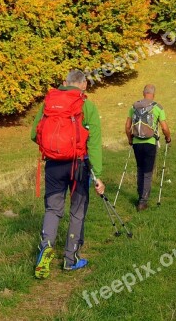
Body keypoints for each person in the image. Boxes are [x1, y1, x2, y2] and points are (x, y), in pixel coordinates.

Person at [31, 70, 105, 279]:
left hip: (53, 165)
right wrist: (97, 175)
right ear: (84, 84)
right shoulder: (87, 106)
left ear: (64, 83)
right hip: (78, 166)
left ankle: (45, 247)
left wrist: (54, 149)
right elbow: (95, 143)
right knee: (77, 210)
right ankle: (70, 259)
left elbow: (34, 134)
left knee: (53, 209)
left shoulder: (49, 102)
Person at [125, 84, 171, 212]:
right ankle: (143, 201)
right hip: (150, 143)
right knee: (148, 171)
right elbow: (165, 128)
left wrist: (130, 140)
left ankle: (140, 196)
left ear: (143, 93)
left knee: (140, 169)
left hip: (136, 143)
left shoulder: (134, 106)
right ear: (153, 94)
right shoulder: (157, 107)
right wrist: (168, 138)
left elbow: (127, 126)